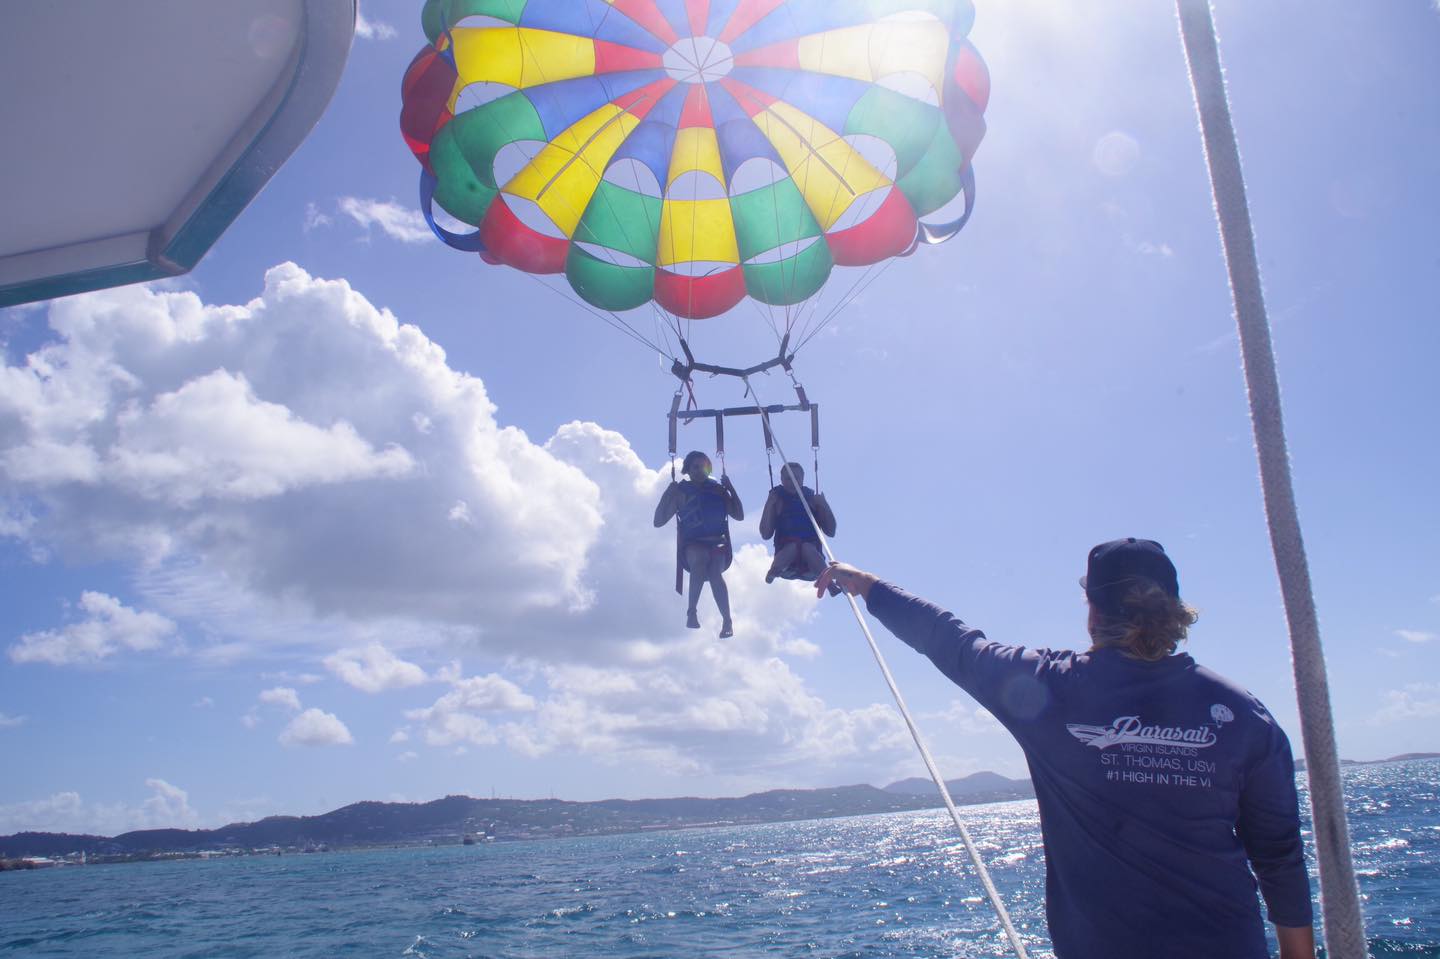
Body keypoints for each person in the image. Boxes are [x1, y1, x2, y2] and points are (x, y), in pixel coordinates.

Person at [817, 538, 1316, 959]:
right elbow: (1279, 857)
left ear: (1093, 611)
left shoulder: (1049, 688)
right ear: (1173, 608)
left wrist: (866, 584)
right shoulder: (1243, 713)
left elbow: (951, 641)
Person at [654, 451, 744, 637]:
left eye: (704, 466)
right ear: (688, 469)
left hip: (718, 542)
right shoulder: (680, 492)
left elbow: (739, 515)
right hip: (693, 544)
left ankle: (727, 620)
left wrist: (730, 489)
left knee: (714, 574)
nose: (700, 470)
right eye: (695, 467)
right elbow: (658, 521)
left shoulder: (718, 490)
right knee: (700, 560)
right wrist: (667, 494)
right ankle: (692, 612)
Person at [758, 463, 837, 584]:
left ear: (802, 479)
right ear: (782, 480)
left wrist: (823, 505)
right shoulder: (777, 499)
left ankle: (828, 583)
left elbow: (831, 532)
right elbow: (765, 534)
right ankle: (774, 570)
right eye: (788, 478)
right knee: (793, 547)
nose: (792, 482)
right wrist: (769, 505)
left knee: (807, 548)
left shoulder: (812, 499)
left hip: (811, 564)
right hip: (787, 563)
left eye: (796, 478)